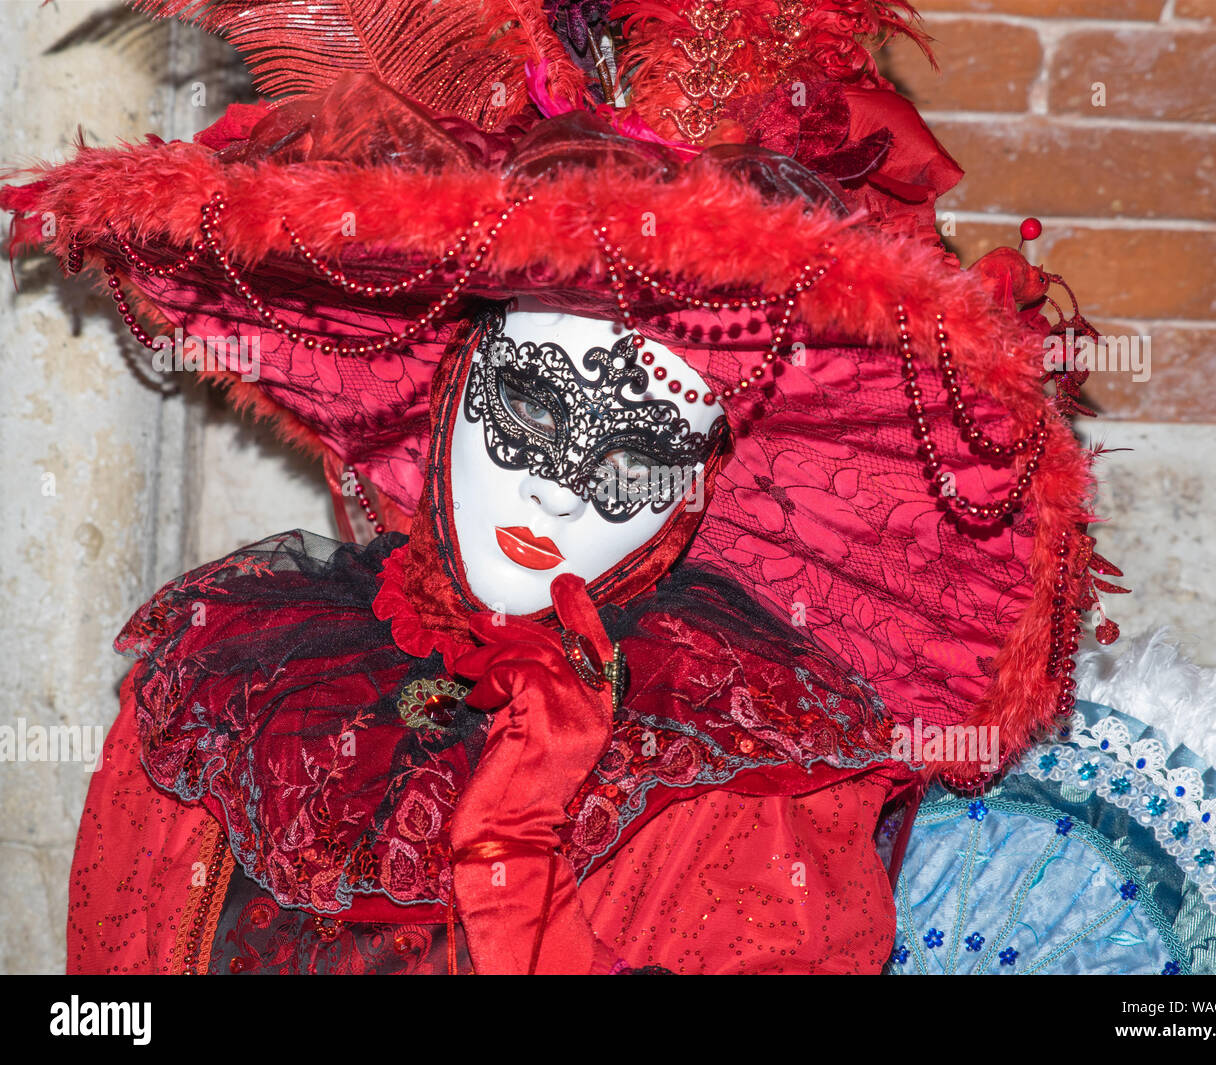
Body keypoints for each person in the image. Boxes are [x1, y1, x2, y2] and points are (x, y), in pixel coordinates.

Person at [4, 0, 1119, 973]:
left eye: (636, 456)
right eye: (534, 410)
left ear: (694, 493)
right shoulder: (230, 693)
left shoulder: (749, 790)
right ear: (450, 383)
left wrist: (519, 886)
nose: (560, 498)